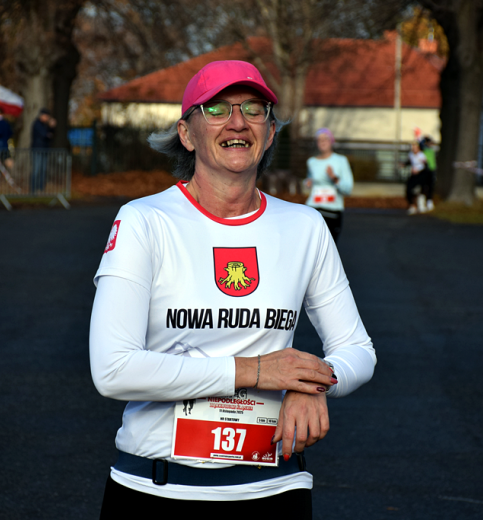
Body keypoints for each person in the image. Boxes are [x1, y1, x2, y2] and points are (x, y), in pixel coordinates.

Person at [89, 60, 376, 518]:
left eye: (254, 108)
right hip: (156, 490)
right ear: (187, 133)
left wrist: (314, 381)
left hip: (275, 490)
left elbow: (357, 349)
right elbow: (113, 369)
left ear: (270, 131)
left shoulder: (305, 226)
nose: (238, 121)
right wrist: (258, 371)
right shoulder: (145, 221)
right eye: (217, 108)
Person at [304, 128, 354, 242]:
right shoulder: (311, 162)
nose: (322, 142)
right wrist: (307, 182)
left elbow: (348, 189)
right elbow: (309, 180)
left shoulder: (341, 160)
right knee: (312, 249)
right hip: (313, 209)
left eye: (325, 139)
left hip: (332, 211)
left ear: (331, 141)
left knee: (329, 250)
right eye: (319, 139)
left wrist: (334, 177)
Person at [30, 108, 55, 193]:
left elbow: (50, 135)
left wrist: (51, 128)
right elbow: (45, 135)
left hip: (45, 149)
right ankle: (33, 190)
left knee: (43, 170)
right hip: (38, 150)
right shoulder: (37, 124)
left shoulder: (45, 125)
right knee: (36, 170)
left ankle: (40, 189)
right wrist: (48, 133)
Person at [403, 141, 433, 215]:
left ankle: (421, 205)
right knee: (408, 189)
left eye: (415, 147)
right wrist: (404, 164)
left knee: (422, 189)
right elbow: (410, 162)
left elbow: (426, 166)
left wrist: (418, 170)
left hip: (422, 174)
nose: (413, 149)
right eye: (412, 147)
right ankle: (412, 206)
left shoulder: (421, 155)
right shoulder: (411, 155)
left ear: (418, 148)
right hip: (414, 175)